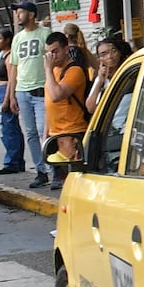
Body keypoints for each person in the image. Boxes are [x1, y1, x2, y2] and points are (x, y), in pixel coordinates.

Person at [7, 0, 51, 189]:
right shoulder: (17, 38)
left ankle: (54, 169)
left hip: (41, 89)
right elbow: (14, 67)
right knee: (31, 133)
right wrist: (11, 95)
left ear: (31, 14)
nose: (18, 15)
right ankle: (41, 171)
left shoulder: (45, 33)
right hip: (22, 91)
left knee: (44, 131)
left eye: (21, 12)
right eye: (17, 12)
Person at [42, 32, 90, 191]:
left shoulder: (74, 70)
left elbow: (57, 95)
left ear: (66, 49)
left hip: (72, 133)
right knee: (62, 182)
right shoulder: (53, 72)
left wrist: (48, 70)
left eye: (55, 51)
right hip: (55, 135)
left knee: (74, 182)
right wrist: (45, 134)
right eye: (48, 53)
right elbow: (49, 104)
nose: (52, 57)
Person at [0, 28, 26, 175]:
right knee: (10, 127)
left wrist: (7, 100)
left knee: (9, 128)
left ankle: (12, 161)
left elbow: (11, 79)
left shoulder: (10, 57)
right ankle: (16, 160)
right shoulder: (2, 55)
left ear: (7, 40)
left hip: (4, 91)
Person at [86, 39, 132, 115]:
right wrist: (100, 82)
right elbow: (91, 108)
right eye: (103, 54)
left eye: (113, 51)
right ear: (99, 60)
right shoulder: (101, 79)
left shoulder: (129, 72)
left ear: (119, 53)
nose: (110, 56)